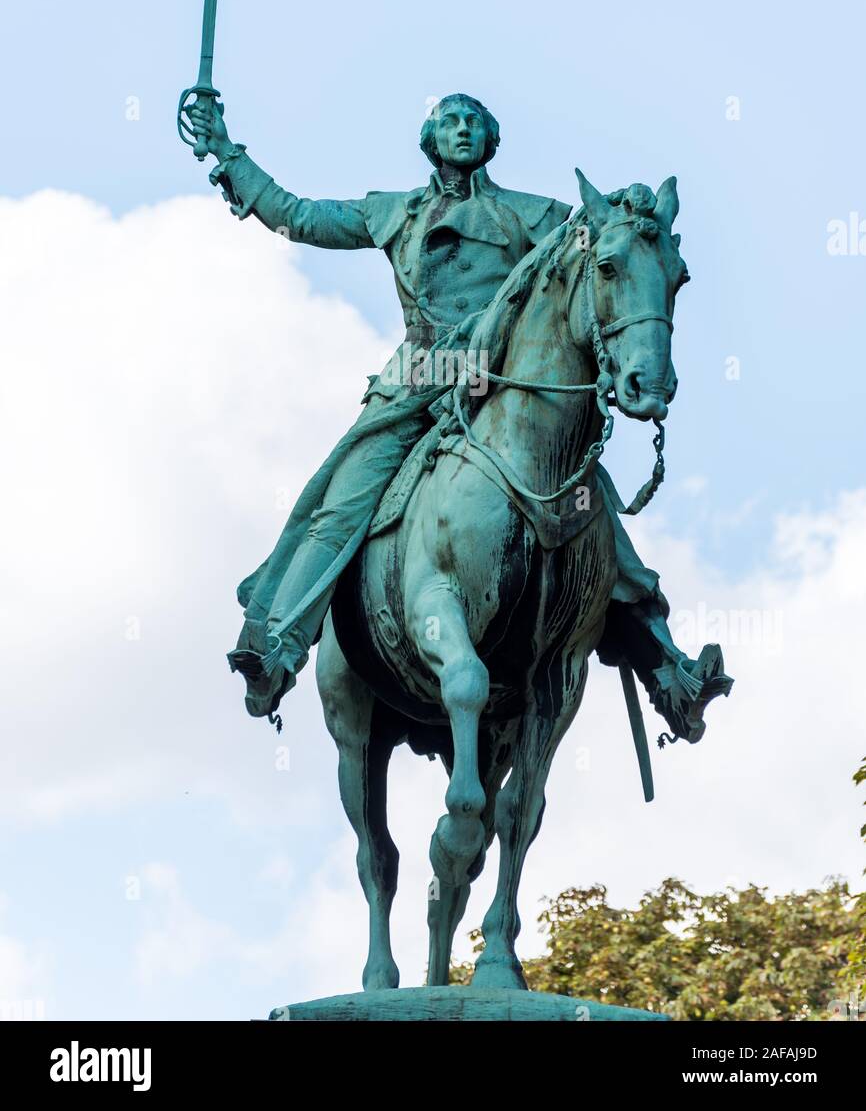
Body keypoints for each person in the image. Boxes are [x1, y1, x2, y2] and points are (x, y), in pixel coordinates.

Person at [182, 92, 731, 742]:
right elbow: (296, 215)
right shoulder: (392, 213)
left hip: (498, 384)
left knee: (586, 496)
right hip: (415, 385)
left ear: (492, 139)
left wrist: (634, 216)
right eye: (450, 120)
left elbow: (604, 244)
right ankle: (278, 647)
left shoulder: (531, 215)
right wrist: (226, 152)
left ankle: (665, 670)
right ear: (430, 138)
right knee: (340, 503)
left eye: (474, 121)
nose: (463, 128)